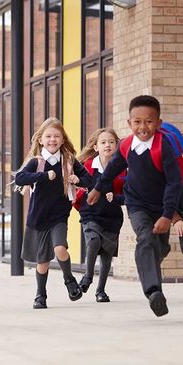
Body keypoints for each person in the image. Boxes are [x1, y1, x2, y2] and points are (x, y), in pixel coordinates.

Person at [87, 95, 181, 317]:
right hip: (136, 203)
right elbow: (113, 168)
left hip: (161, 206)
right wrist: (98, 187)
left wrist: (168, 215)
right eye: (137, 122)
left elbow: (174, 183)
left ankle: (150, 261)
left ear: (158, 123)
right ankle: (154, 292)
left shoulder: (163, 147)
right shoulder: (127, 144)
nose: (143, 127)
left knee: (159, 247)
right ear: (129, 123)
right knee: (145, 238)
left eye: (149, 121)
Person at [14, 117, 92, 309]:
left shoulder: (69, 161)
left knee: (59, 248)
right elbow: (20, 178)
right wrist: (42, 176)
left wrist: (77, 180)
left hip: (59, 215)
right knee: (43, 261)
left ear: (63, 140)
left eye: (57, 136)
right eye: (48, 136)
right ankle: (40, 295)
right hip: (38, 217)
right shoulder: (37, 162)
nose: (52, 140)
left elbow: (89, 180)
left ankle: (69, 280)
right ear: (41, 139)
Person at [76, 128, 125, 303]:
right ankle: (88, 277)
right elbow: (77, 186)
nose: (107, 145)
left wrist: (119, 198)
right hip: (91, 213)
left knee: (107, 255)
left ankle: (101, 291)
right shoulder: (88, 166)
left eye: (111, 142)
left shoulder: (122, 167)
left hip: (112, 216)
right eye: (103, 142)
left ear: (116, 145)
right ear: (96, 147)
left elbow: (129, 191)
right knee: (94, 241)